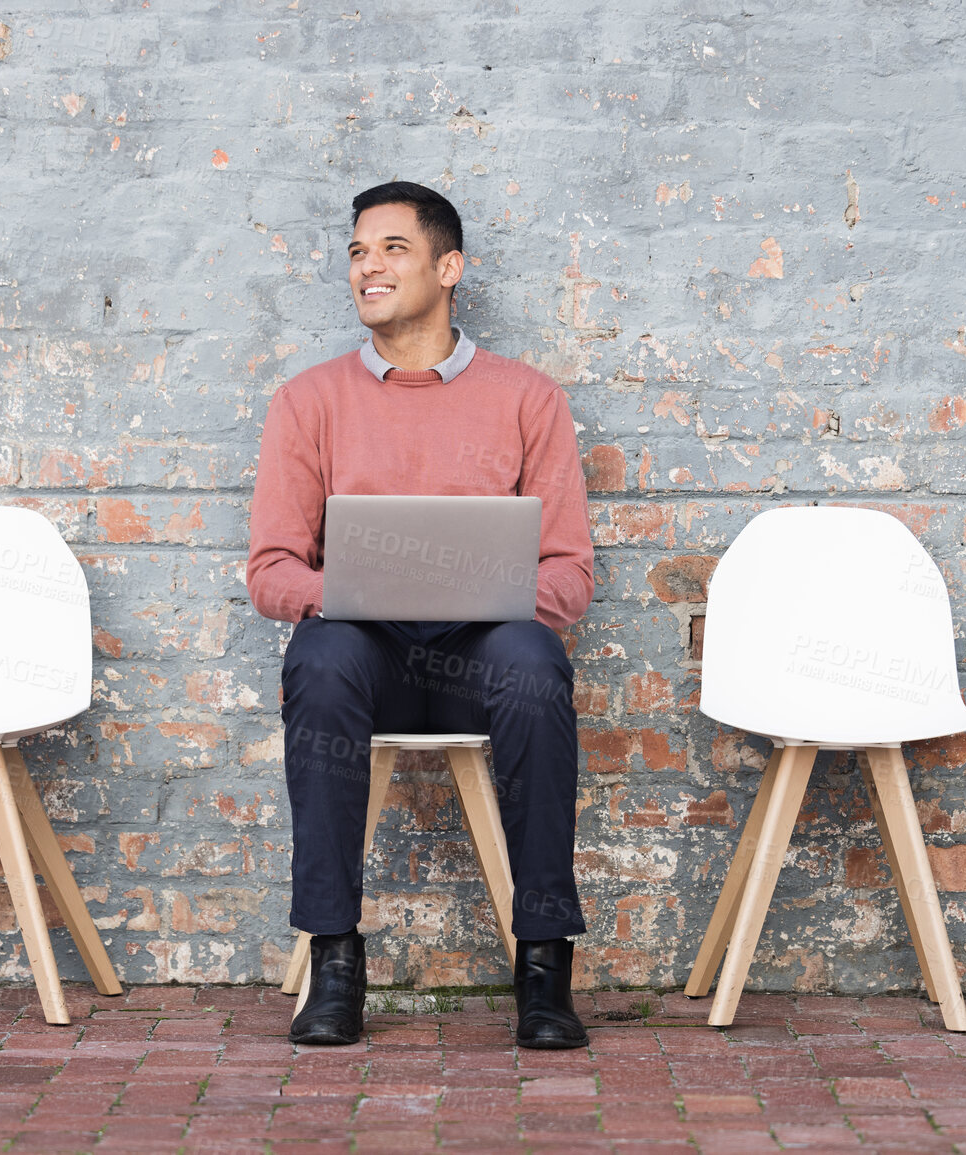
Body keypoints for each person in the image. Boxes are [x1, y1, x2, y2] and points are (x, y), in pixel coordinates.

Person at [246, 181, 595, 1049]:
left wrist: (491, 591)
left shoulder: (527, 397)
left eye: (393, 249)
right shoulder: (308, 400)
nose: (369, 265)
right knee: (320, 660)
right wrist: (358, 589)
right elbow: (272, 569)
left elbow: (570, 573)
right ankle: (334, 961)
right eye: (359, 251)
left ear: (449, 268)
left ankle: (545, 964)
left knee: (534, 663)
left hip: (484, 658)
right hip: (367, 659)